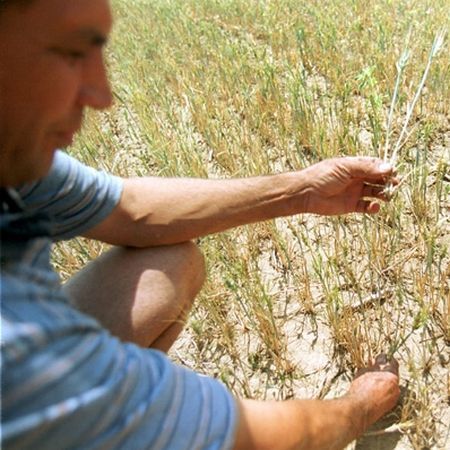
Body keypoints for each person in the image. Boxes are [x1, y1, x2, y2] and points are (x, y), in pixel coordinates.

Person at [0, 0, 401, 449]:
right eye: (69, 54)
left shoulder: (16, 163)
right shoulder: (19, 356)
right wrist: (361, 405)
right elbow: (245, 438)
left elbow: (130, 210)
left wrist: (303, 190)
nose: (103, 95)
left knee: (168, 263)